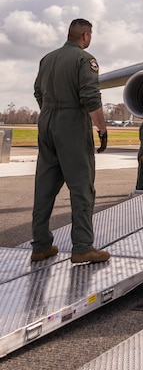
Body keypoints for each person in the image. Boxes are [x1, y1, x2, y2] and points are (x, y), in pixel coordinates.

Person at [31, 18, 110, 264]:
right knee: (81, 187)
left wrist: (50, 113)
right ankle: (83, 246)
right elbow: (90, 96)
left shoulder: (48, 59)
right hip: (72, 125)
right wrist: (102, 129)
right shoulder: (85, 60)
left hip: (47, 124)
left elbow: (37, 91)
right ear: (85, 36)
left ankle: (41, 245)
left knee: (44, 188)